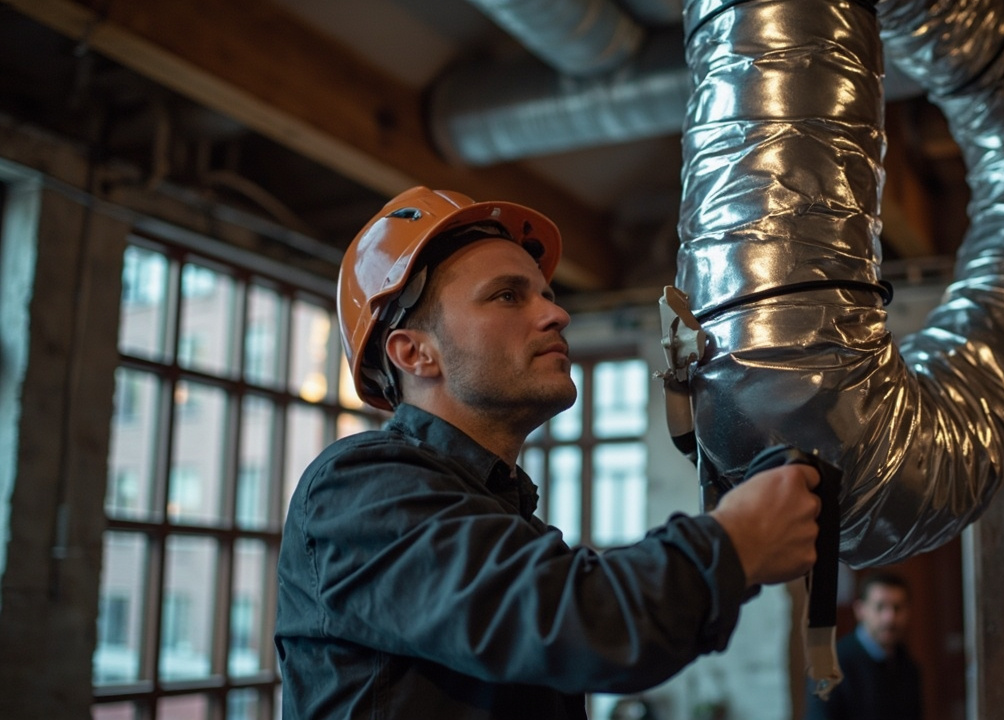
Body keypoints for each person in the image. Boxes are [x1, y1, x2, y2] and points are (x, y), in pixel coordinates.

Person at [274, 186, 823, 719]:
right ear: (414, 352)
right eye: (508, 295)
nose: (556, 315)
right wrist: (737, 543)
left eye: (547, 295)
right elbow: (579, 621)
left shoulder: (512, 524)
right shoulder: (356, 488)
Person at [804, 572, 923, 720]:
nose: (889, 618)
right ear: (860, 610)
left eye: (897, 608)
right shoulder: (830, 665)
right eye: (880, 607)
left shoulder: (908, 665)